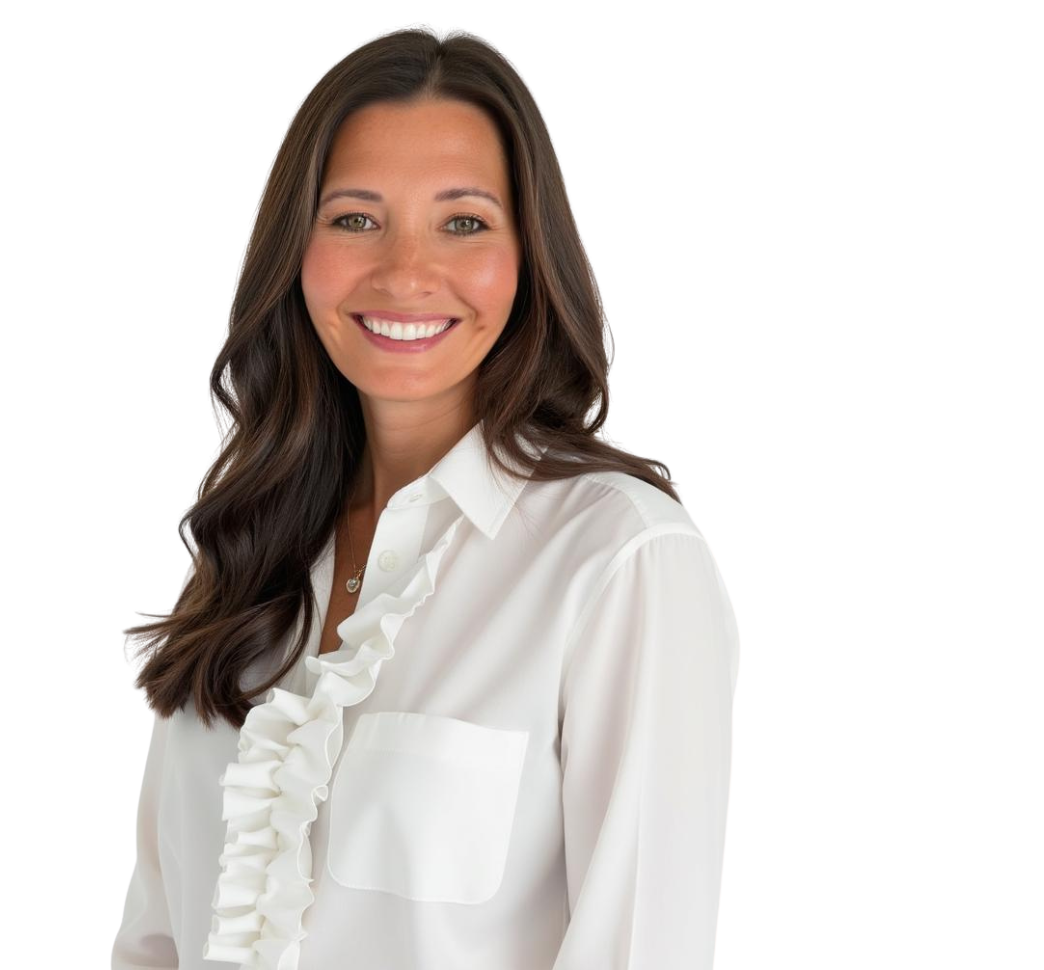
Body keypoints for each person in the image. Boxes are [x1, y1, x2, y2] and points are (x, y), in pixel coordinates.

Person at [112, 24, 739, 970]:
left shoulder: (621, 562)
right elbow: (157, 938)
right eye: (356, 218)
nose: (406, 272)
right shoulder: (245, 558)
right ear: (297, 248)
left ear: (529, 256)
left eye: (464, 221)